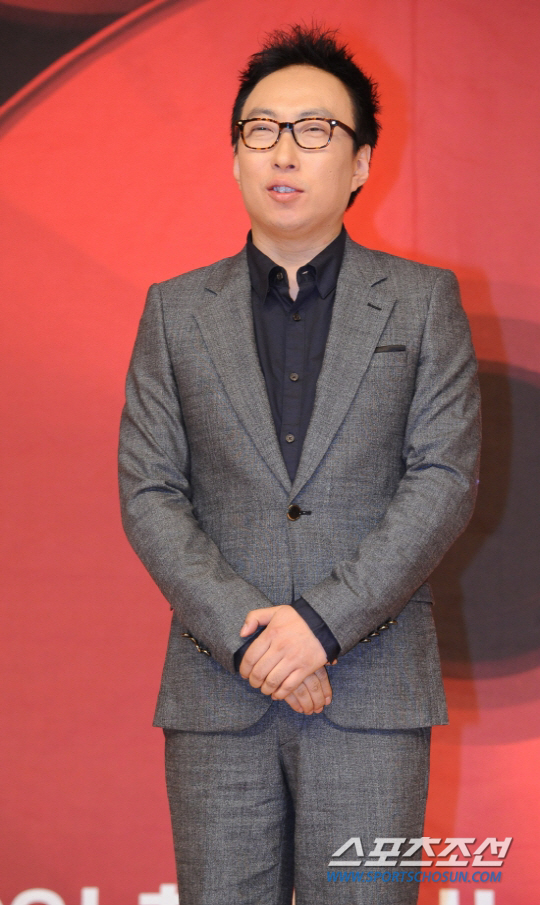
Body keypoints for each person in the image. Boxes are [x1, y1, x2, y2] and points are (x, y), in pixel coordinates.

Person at [118, 24, 480, 905]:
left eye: (314, 130)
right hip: (218, 692)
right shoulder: (174, 312)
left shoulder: (423, 303)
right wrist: (254, 639)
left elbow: (443, 481)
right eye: (262, 129)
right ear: (235, 156)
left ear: (360, 163)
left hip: (374, 692)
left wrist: (319, 626)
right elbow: (150, 491)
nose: (284, 151)